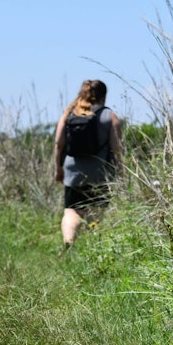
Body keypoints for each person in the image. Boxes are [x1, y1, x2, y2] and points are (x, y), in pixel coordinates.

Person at [53, 79, 123, 252]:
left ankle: (69, 242)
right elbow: (116, 149)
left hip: (72, 171)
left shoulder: (70, 113)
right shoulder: (109, 116)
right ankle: (93, 248)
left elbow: (58, 144)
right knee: (96, 210)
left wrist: (58, 168)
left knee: (71, 211)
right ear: (104, 96)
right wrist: (119, 172)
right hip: (99, 173)